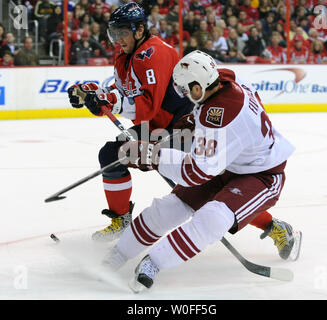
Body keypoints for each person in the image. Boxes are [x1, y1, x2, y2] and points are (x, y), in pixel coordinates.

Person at [103, 50, 302, 292]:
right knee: (170, 207)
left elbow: (196, 172)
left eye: (186, 90)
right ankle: (119, 254)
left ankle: (154, 262)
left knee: (213, 218)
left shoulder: (217, 117)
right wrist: (195, 120)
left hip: (262, 175)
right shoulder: (226, 78)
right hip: (231, 162)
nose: (184, 94)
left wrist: (151, 156)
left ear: (198, 88)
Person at [67, 2, 193, 241]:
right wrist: (93, 93)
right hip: (158, 128)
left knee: (209, 192)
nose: (117, 39)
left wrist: (109, 99)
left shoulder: (154, 53)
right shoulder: (127, 56)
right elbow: (123, 91)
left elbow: (146, 106)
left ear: (139, 30)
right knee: (111, 155)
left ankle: (273, 226)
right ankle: (121, 219)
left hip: (182, 132)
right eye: (114, 33)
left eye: (122, 32)